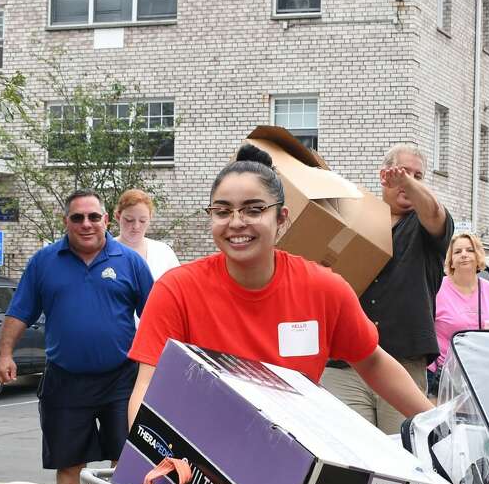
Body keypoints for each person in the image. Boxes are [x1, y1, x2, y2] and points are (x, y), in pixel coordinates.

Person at [128, 145, 433, 428]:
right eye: (222, 211)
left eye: (253, 209)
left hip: (295, 459)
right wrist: (147, 460)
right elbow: (149, 383)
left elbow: (373, 361)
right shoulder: (177, 290)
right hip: (207, 460)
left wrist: (438, 426)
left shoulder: (323, 288)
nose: (236, 222)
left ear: (281, 218)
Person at [0, 190, 153, 484]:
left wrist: (160, 369)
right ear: (65, 221)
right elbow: (20, 312)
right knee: (68, 463)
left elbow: (155, 318)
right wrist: (4, 353)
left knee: (127, 461)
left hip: (121, 380)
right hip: (65, 380)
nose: (86, 224)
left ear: (105, 220)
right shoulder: (44, 262)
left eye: (93, 217)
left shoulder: (129, 262)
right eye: (78, 217)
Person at [321, 144, 452, 434]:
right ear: (384, 176)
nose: (411, 182)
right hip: (345, 364)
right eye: (405, 173)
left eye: (419, 176)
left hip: (403, 363)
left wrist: (407, 181)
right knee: (348, 453)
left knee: (400, 457)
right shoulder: (356, 219)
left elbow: (434, 211)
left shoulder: (426, 224)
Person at [427, 232, 489, 396]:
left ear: (478, 257)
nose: (464, 255)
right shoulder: (436, 288)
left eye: (469, 250)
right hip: (441, 376)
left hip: (480, 376)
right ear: (451, 260)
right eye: (457, 252)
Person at [113, 188, 181, 282]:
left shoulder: (163, 252)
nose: (136, 226)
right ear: (117, 216)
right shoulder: (104, 251)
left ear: (150, 218)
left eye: (142, 221)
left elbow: (179, 286)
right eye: (129, 220)